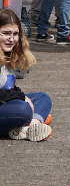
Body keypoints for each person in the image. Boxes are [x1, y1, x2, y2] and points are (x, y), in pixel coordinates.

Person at [0, 9, 53, 142]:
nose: (11, 39)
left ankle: (29, 127)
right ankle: (31, 122)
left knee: (42, 98)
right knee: (22, 110)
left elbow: (9, 89)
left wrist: (21, 97)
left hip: (4, 104)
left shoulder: (8, 54)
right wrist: (21, 97)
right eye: (6, 33)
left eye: (15, 34)